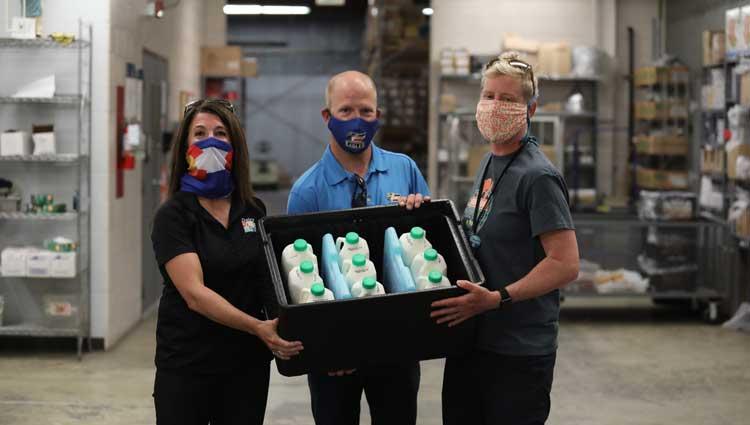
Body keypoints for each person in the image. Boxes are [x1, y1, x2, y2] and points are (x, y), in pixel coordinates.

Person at [431, 52, 580, 425]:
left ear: (530, 109)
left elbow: (565, 264)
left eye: (508, 99)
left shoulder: (538, 177)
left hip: (517, 351)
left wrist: (498, 299)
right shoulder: (489, 161)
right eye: (489, 96)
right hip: (473, 339)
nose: (495, 106)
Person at [287, 70, 430, 425]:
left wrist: (419, 214)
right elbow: (297, 278)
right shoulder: (307, 190)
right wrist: (323, 348)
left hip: (396, 339)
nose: (357, 120)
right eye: (346, 110)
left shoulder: (405, 169)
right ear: (327, 117)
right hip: (335, 353)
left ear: (378, 115)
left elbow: (428, 243)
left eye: (366, 112)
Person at [150, 98, 303, 425]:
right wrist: (257, 327)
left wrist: (292, 327)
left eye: (221, 133)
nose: (210, 140)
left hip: (245, 368)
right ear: (184, 147)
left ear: (235, 144)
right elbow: (194, 294)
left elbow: (267, 281)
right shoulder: (174, 215)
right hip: (187, 367)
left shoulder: (253, 210)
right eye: (200, 133)